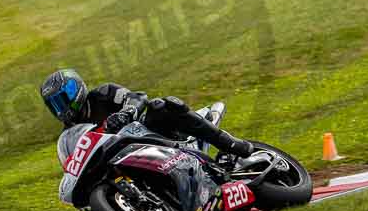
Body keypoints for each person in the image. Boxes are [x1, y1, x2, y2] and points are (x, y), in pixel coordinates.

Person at [40, 69, 254, 165]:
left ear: (74, 90)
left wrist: (127, 112)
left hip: (149, 133)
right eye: (54, 105)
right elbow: (74, 161)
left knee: (161, 105)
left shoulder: (103, 94)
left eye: (62, 100)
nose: (61, 108)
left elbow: (138, 97)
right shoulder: (70, 133)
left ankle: (230, 144)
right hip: (123, 158)